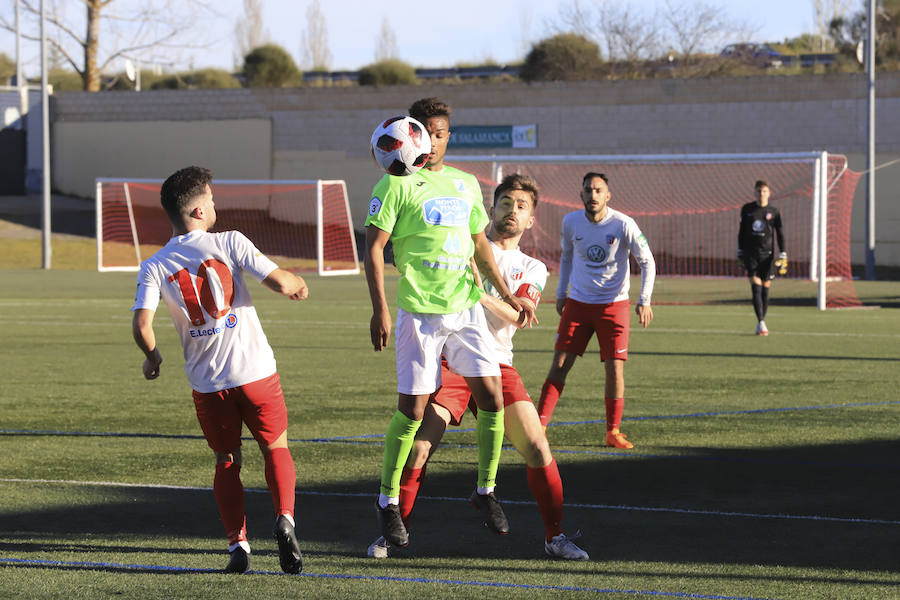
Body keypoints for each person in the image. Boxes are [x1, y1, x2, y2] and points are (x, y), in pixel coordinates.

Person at [367, 173, 589, 560]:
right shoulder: (461, 246)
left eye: (521, 207)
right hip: (450, 365)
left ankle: (555, 537)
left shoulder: (531, 267)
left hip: (497, 363)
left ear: (531, 219)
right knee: (419, 449)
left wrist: (476, 291)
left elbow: (520, 317)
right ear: (490, 208)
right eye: (505, 203)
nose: (512, 211)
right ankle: (390, 533)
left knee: (537, 447)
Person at [365, 97, 536, 549]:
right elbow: (374, 248)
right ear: (410, 134)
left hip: (465, 309)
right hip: (420, 312)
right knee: (414, 410)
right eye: (426, 132)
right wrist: (379, 307)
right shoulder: (396, 182)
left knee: (492, 396)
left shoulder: (465, 184)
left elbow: (481, 244)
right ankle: (386, 500)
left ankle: (485, 491)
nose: (434, 141)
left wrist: (506, 291)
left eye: (441, 133)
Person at [131, 166, 306, 575]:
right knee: (276, 447)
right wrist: (298, 283)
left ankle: (238, 546)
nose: (214, 204)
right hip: (256, 372)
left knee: (227, 460)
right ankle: (284, 518)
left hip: (209, 385)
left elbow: (141, 326)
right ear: (195, 211)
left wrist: (153, 358)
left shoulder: (154, 265)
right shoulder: (230, 241)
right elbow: (281, 283)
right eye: (209, 198)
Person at [536, 172, 655, 449]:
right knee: (560, 364)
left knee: (615, 369)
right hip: (577, 304)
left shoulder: (624, 224)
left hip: (614, 306)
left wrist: (645, 299)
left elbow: (647, 261)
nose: (593, 195)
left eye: (598, 190)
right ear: (581, 195)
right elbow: (566, 256)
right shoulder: (570, 222)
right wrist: (561, 292)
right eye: (588, 190)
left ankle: (613, 432)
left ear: (607, 195)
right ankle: (540, 426)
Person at [738, 180, 786, 336]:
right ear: (754, 193)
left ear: (769, 193)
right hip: (751, 254)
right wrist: (740, 251)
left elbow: (780, 234)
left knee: (766, 288)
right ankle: (761, 322)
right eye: (759, 191)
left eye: (764, 191)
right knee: (756, 286)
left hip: (768, 256)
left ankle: (762, 320)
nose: (761, 194)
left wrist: (783, 253)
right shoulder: (747, 210)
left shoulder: (774, 211)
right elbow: (742, 232)